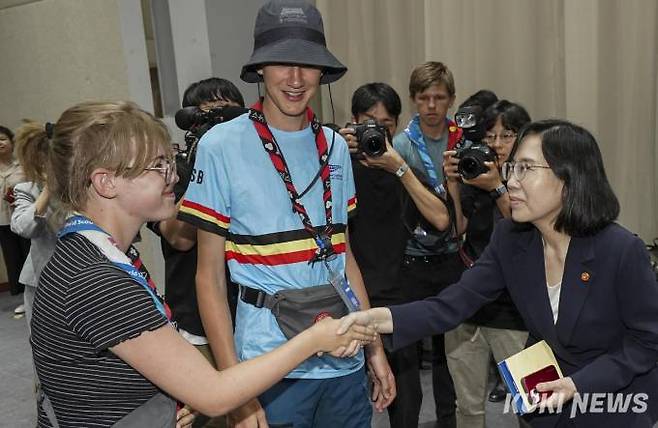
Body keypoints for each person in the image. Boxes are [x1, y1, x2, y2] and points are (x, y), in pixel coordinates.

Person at [29, 101, 375, 427]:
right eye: (157, 166)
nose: (173, 177)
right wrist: (314, 338)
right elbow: (214, 395)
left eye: (170, 161)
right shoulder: (96, 279)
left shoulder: (92, 255)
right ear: (106, 182)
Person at [341, 119, 658, 427]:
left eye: (526, 169)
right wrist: (378, 319)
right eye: (512, 168)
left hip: (616, 401)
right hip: (550, 405)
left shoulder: (619, 249)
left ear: (569, 178)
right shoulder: (510, 239)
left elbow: (646, 342)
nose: (512, 181)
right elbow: (452, 304)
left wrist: (578, 385)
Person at [179, 1, 395, 427]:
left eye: (308, 64)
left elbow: (344, 258)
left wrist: (375, 350)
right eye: (282, 63)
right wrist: (233, 388)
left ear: (322, 72)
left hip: (344, 360)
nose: (295, 79)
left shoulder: (333, 146)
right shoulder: (221, 146)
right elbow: (209, 277)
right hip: (268, 367)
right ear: (260, 68)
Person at [342, 82, 450, 428]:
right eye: (368, 123)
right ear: (354, 122)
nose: (375, 131)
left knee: (405, 396)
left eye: (384, 125)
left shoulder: (402, 169)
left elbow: (441, 220)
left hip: (397, 295)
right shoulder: (335, 165)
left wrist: (398, 166)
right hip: (346, 295)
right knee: (347, 393)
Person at [443, 99, 531, 428]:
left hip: (516, 310)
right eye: (490, 137)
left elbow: (524, 232)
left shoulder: (534, 178)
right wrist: (453, 182)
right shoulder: (474, 173)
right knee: (467, 407)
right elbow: (457, 228)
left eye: (506, 135)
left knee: (531, 406)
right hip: (471, 305)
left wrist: (497, 188)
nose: (497, 144)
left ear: (523, 137)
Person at [391, 61, 464, 427]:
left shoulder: (460, 141)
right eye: (424, 98)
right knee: (406, 354)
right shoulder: (401, 145)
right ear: (413, 101)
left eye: (439, 97)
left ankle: (448, 421)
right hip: (412, 260)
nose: (432, 105)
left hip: (452, 257)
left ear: (451, 100)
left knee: (449, 355)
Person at [10, 121, 60, 329]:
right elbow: (24, 228)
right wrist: (48, 190)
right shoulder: (27, 189)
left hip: (86, 276)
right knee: (45, 341)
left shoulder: (84, 185)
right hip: (43, 277)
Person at [0, 125, 30, 313]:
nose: (0, 143)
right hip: (2, 221)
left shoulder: (23, 166)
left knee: (29, 256)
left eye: (3, 139)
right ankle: (22, 298)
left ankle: (37, 296)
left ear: (12, 142)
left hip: (24, 219)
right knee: (12, 259)